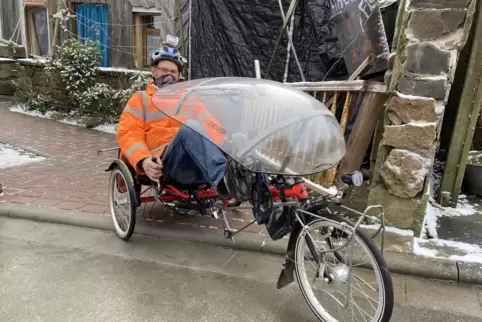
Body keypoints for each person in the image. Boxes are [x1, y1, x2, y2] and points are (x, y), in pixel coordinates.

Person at [117, 44, 247, 200]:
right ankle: (223, 180)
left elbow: (210, 125)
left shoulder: (189, 100)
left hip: (195, 161)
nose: (169, 76)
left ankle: (252, 182)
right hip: (165, 163)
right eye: (164, 70)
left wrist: (227, 146)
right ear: (154, 71)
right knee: (191, 128)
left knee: (235, 139)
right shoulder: (140, 100)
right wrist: (144, 160)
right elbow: (129, 134)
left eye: (173, 72)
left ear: (179, 76)